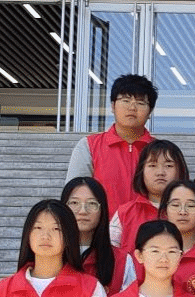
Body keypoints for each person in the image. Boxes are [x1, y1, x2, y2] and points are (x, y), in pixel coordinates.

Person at [65, 73, 157, 216]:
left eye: (140, 103)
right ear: (113, 106)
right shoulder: (89, 146)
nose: (132, 107)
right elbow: (73, 196)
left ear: (150, 111)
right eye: (126, 100)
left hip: (150, 229)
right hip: (103, 229)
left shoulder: (160, 151)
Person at [107, 139, 186, 250]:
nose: (160, 172)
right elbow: (108, 252)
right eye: (152, 165)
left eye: (168, 166)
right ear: (141, 171)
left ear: (180, 171)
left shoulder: (193, 211)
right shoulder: (124, 214)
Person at [62, 176, 126, 294]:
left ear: (102, 210)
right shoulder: (48, 255)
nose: (83, 211)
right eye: (74, 203)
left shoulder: (122, 260)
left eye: (92, 203)